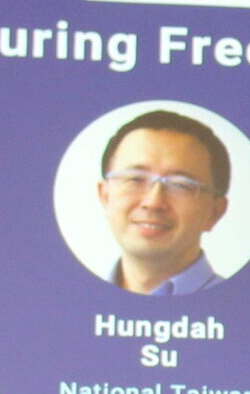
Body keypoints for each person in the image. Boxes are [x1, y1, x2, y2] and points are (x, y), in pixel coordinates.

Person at [96, 109, 232, 295]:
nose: (153, 202)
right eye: (135, 179)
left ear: (215, 212)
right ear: (105, 196)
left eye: (180, 185)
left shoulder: (246, 308)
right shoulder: (68, 301)